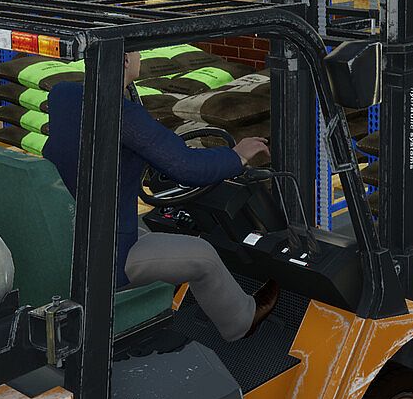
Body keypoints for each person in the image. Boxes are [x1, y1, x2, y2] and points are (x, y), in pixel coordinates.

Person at [44, 51, 280, 342]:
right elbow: (187, 167)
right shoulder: (121, 114)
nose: (140, 56)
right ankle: (241, 322)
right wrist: (237, 156)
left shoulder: (64, 94)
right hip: (106, 254)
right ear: (124, 59)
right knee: (204, 255)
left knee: (146, 226)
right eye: (136, 51)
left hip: (77, 227)